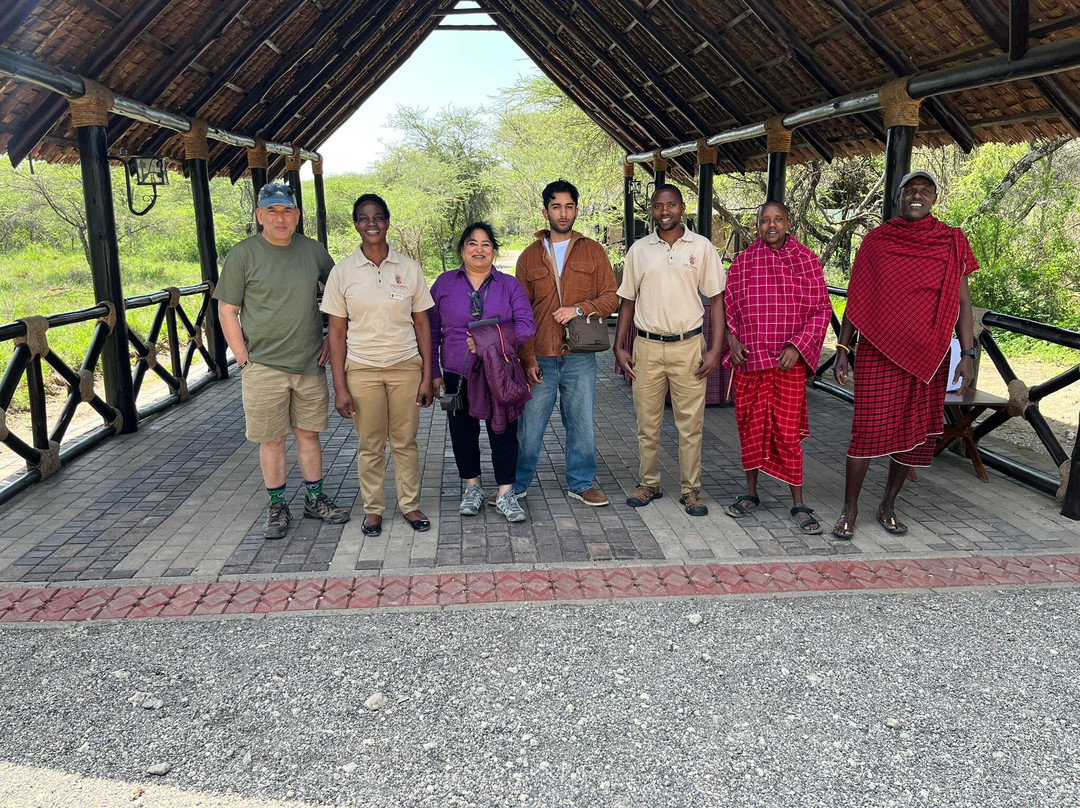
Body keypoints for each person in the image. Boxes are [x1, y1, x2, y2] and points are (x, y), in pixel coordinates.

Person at [832, 170, 979, 539]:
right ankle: (850, 509)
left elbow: (963, 303)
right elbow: (857, 297)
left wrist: (968, 353)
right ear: (898, 198)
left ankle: (888, 505)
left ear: (934, 199)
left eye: (925, 191)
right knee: (865, 433)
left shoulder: (952, 242)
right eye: (910, 190)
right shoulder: (877, 241)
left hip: (929, 358)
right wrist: (843, 348)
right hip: (878, 353)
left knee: (913, 433)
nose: (917, 195)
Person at [215, 183, 350, 539]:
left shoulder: (314, 252)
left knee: (308, 435)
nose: (280, 218)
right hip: (262, 366)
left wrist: (331, 341)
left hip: (308, 363)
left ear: (297, 216)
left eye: (286, 211)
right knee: (271, 439)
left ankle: (315, 498)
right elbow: (227, 309)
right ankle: (277, 504)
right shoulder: (243, 254)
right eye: (272, 211)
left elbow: (339, 298)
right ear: (260, 215)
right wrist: (242, 357)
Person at [321, 194, 434, 538]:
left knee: (405, 441)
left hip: (405, 366)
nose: (371, 223)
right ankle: (373, 509)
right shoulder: (342, 273)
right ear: (355, 224)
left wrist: (428, 375)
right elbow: (336, 334)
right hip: (363, 370)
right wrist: (339, 386)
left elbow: (423, 325)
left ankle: (410, 504)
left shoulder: (409, 268)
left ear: (388, 221)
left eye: (378, 217)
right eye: (363, 218)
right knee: (370, 443)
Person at [500, 179, 618, 508]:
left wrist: (580, 309)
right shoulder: (529, 257)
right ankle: (517, 485)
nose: (563, 213)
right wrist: (527, 360)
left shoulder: (593, 251)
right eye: (556, 206)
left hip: (579, 356)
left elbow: (611, 298)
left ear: (576, 210)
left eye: (568, 206)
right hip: (540, 356)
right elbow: (519, 313)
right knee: (529, 428)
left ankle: (581, 483)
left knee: (581, 424)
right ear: (545, 211)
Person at [613, 184, 726, 517]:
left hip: (689, 346)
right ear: (652, 210)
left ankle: (691, 490)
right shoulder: (639, 250)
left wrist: (715, 348)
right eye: (659, 206)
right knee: (647, 423)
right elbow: (627, 300)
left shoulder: (702, 247)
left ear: (682, 207)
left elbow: (717, 299)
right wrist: (620, 345)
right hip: (646, 346)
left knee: (690, 425)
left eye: (671, 205)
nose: (665, 211)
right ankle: (649, 483)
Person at [722, 201, 832, 534]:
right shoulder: (743, 263)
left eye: (778, 220)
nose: (771, 225)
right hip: (751, 363)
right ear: (757, 225)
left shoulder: (807, 261)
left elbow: (821, 310)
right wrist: (733, 341)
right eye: (765, 220)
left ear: (788, 223)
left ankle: (798, 502)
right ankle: (751, 493)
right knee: (750, 429)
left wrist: (798, 348)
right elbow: (730, 309)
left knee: (787, 433)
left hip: (787, 366)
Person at [430, 223, 537, 523]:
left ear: (493, 250)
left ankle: (506, 493)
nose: (479, 249)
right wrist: (433, 372)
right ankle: (472, 487)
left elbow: (527, 326)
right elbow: (431, 330)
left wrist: (485, 339)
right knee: (462, 432)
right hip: (456, 371)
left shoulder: (509, 285)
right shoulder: (443, 284)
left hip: (500, 371)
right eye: (472, 243)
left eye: (486, 244)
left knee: (503, 431)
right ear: (462, 249)